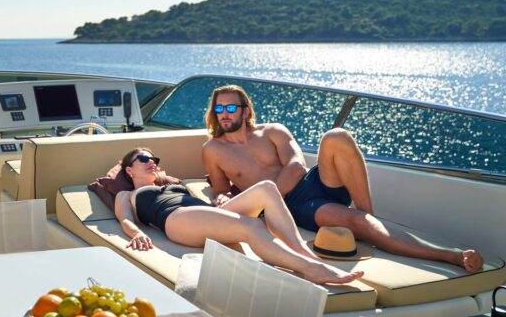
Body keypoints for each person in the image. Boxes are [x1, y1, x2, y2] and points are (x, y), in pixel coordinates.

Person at [201, 84, 484, 273]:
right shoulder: (213, 150)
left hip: (311, 182)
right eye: (219, 109)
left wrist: (267, 189)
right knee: (358, 223)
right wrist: (224, 197)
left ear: (245, 110)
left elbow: (297, 166)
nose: (224, 115)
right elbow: (222, 192)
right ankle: (451, 255)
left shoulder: (272, 131)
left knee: (337, 137)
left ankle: (369, 215)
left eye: (230, 108)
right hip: (292, 206)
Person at [114, 147, 364, 285]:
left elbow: (201, 206)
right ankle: (309, 269)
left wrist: (218, 201)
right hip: (176, 219)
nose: (152, 162)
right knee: (252, 225)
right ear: (129, 169)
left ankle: (306, 255)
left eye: (154, 158)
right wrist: (136, 234)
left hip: (204, 213)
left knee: (268, 188)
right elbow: (125, 219)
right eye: (144, 158)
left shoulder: (174, 184)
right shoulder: (126, 194)